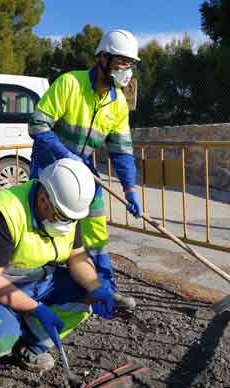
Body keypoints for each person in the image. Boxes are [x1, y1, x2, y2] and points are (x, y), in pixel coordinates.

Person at [0, 159, 117, 388]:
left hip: (30, 280)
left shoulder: (68, 210)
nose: (67, 224)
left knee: (86, 297)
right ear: (44, 198)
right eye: (61, 216)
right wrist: (37, 308)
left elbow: (77, 256)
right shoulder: (2, 214)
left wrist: (95, 286)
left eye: (71, 218)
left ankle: (29, 345)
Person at [28, 28, 143, 301]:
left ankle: (104, 289)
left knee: (96, 230)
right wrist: (67, 156)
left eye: (130, 64)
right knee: (45, 228)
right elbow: (38, 124)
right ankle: (33, 287)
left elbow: (122, 150)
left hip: (84, 174)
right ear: (102, 59)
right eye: (121, 63)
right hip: (48, 171)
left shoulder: (118, 105)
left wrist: (130, 189)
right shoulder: (70, 84)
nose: (126, 70)